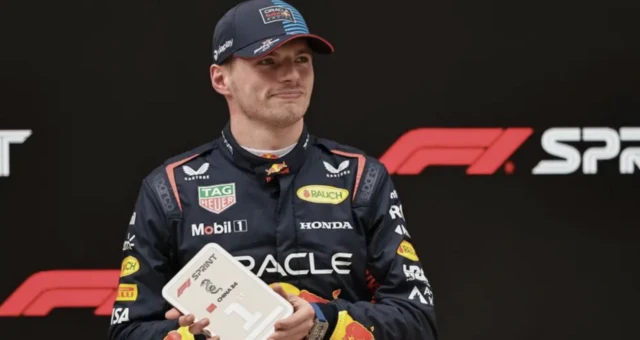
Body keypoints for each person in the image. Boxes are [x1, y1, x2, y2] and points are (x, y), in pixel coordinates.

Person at [107, 0, 438, 339]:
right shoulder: (171, 188)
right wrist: (191, 336)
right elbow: (127, 331)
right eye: (267, 61)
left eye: (302, 59)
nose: (291, 74)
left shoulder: (361, 179)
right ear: (221, 78)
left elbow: (417, 321)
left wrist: (323, 321)